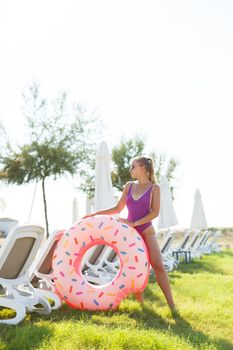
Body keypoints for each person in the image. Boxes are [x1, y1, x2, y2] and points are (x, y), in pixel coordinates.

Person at [84, 155, 176, 311]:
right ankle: (142, 306)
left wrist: (134, 223)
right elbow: (118, 209)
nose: (130, 169)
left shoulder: (155, 188)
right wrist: (95, 213)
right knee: (137, 268)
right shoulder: (129, 186)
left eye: (133, 166)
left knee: (158, 266)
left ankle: (172, 306)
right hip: (130, 234)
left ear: (143, 168)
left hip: (146, 231)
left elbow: (154, 213)